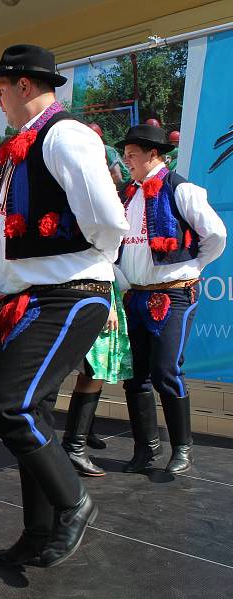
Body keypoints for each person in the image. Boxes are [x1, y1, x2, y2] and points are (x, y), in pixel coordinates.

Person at [0, 44, 129, 568]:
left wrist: (84, 266)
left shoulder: (65, 136)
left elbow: (109, 221)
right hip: (37, 297)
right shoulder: (18, 150)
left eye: (1, 90)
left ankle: (73, 502)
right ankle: (39, 532)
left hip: (67, 294)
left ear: (23, 86)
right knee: (35, 412)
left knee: (7, 403)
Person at [117, 124, 226, 474]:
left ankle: (182, 448)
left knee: (165, 371)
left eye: (132, 154)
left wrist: (192, 266)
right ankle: (145, 449)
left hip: (173, 294)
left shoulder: (181, 189)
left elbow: (216, 235)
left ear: (153, 154)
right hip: (135, 295)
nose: (126, 160)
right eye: (125, 154)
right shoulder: (127, 195)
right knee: (135, 376)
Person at [61, 267, 133, 476]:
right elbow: (100, 257)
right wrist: (107, 303)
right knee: (93, 371)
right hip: (89, 294)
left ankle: (78, 439)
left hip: (90, 292)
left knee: (93, 372)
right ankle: (73, 446)